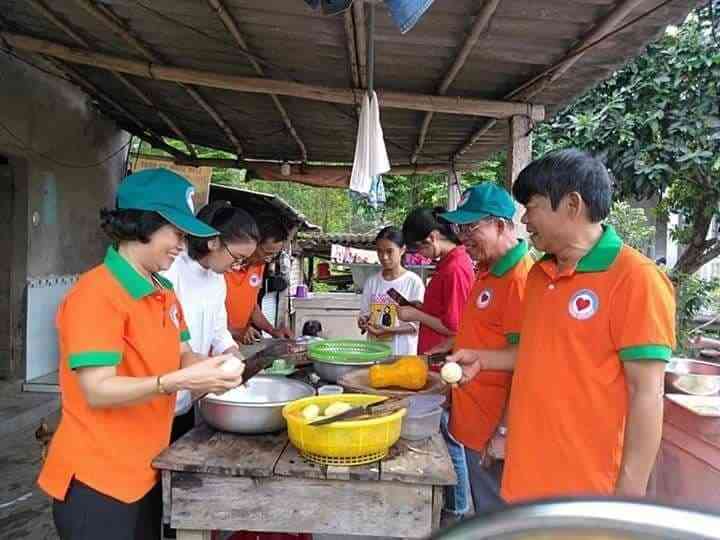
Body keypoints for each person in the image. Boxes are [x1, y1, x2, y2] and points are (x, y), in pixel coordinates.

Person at [450, 149, 676, 502]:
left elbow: (646, 392)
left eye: (532, 207)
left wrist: (628, 498)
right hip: (524, 476)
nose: (525, 220)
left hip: (586, 488)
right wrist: (483, 359)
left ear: (572, 205)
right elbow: (538, 353)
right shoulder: (540, 275)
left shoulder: (636, 279)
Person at [37, 168, 246, 540]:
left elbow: (183, 353)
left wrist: (216, 368)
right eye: (176, 232)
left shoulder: (163, 291)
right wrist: (176, 382)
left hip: (147, 468)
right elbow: (97, 390)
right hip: (97, 481)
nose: (181, 245)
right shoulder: (97, 293)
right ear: (143, 224)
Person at [438, 183, 533, 513]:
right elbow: (481, 337)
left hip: (494, 435)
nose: (463, 237)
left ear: (501, 225)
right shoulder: (487, 271)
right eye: (460, 229)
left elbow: (527, 364)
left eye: (471, 227)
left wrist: (504, 432)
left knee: (499, 520)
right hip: (473, 425)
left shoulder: (520, 279)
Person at [161, 201, 259, 438]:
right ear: (213, 242)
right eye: (237, 257)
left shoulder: (217, 279)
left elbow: (218, 330)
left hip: (191, 394)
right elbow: (166, 339)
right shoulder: (171, 270)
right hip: (161, 390)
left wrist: (233, 354)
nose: (237, 266)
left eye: (243, 261)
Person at [398, 207, 474, 355]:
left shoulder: (455, 268)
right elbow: (444, 311)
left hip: (442, 358)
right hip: (434, 353)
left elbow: (454, 328)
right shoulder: (447, 264)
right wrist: (422, 308)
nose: (420, 255)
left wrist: (416, 315)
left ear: (432, 238)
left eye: (419, 248)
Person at [225, 214, 294, 343]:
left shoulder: (259, 266)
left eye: (274, 255)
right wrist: (232, 331)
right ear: (252, 243)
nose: (269, 259)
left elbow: (252, 305)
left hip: (236, 343)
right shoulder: (223, 266)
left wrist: (272, 330)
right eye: (267, 253)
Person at [358, 226, 425, 355]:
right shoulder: (372, 282)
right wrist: (363, 321)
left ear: (402, 250)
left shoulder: (413, 282)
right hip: (375, 352)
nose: (384, 257)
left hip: (403, 354)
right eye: (379, 251)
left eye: (390, 251)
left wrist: (389, 330)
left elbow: (418, 325)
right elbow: (365, 313)